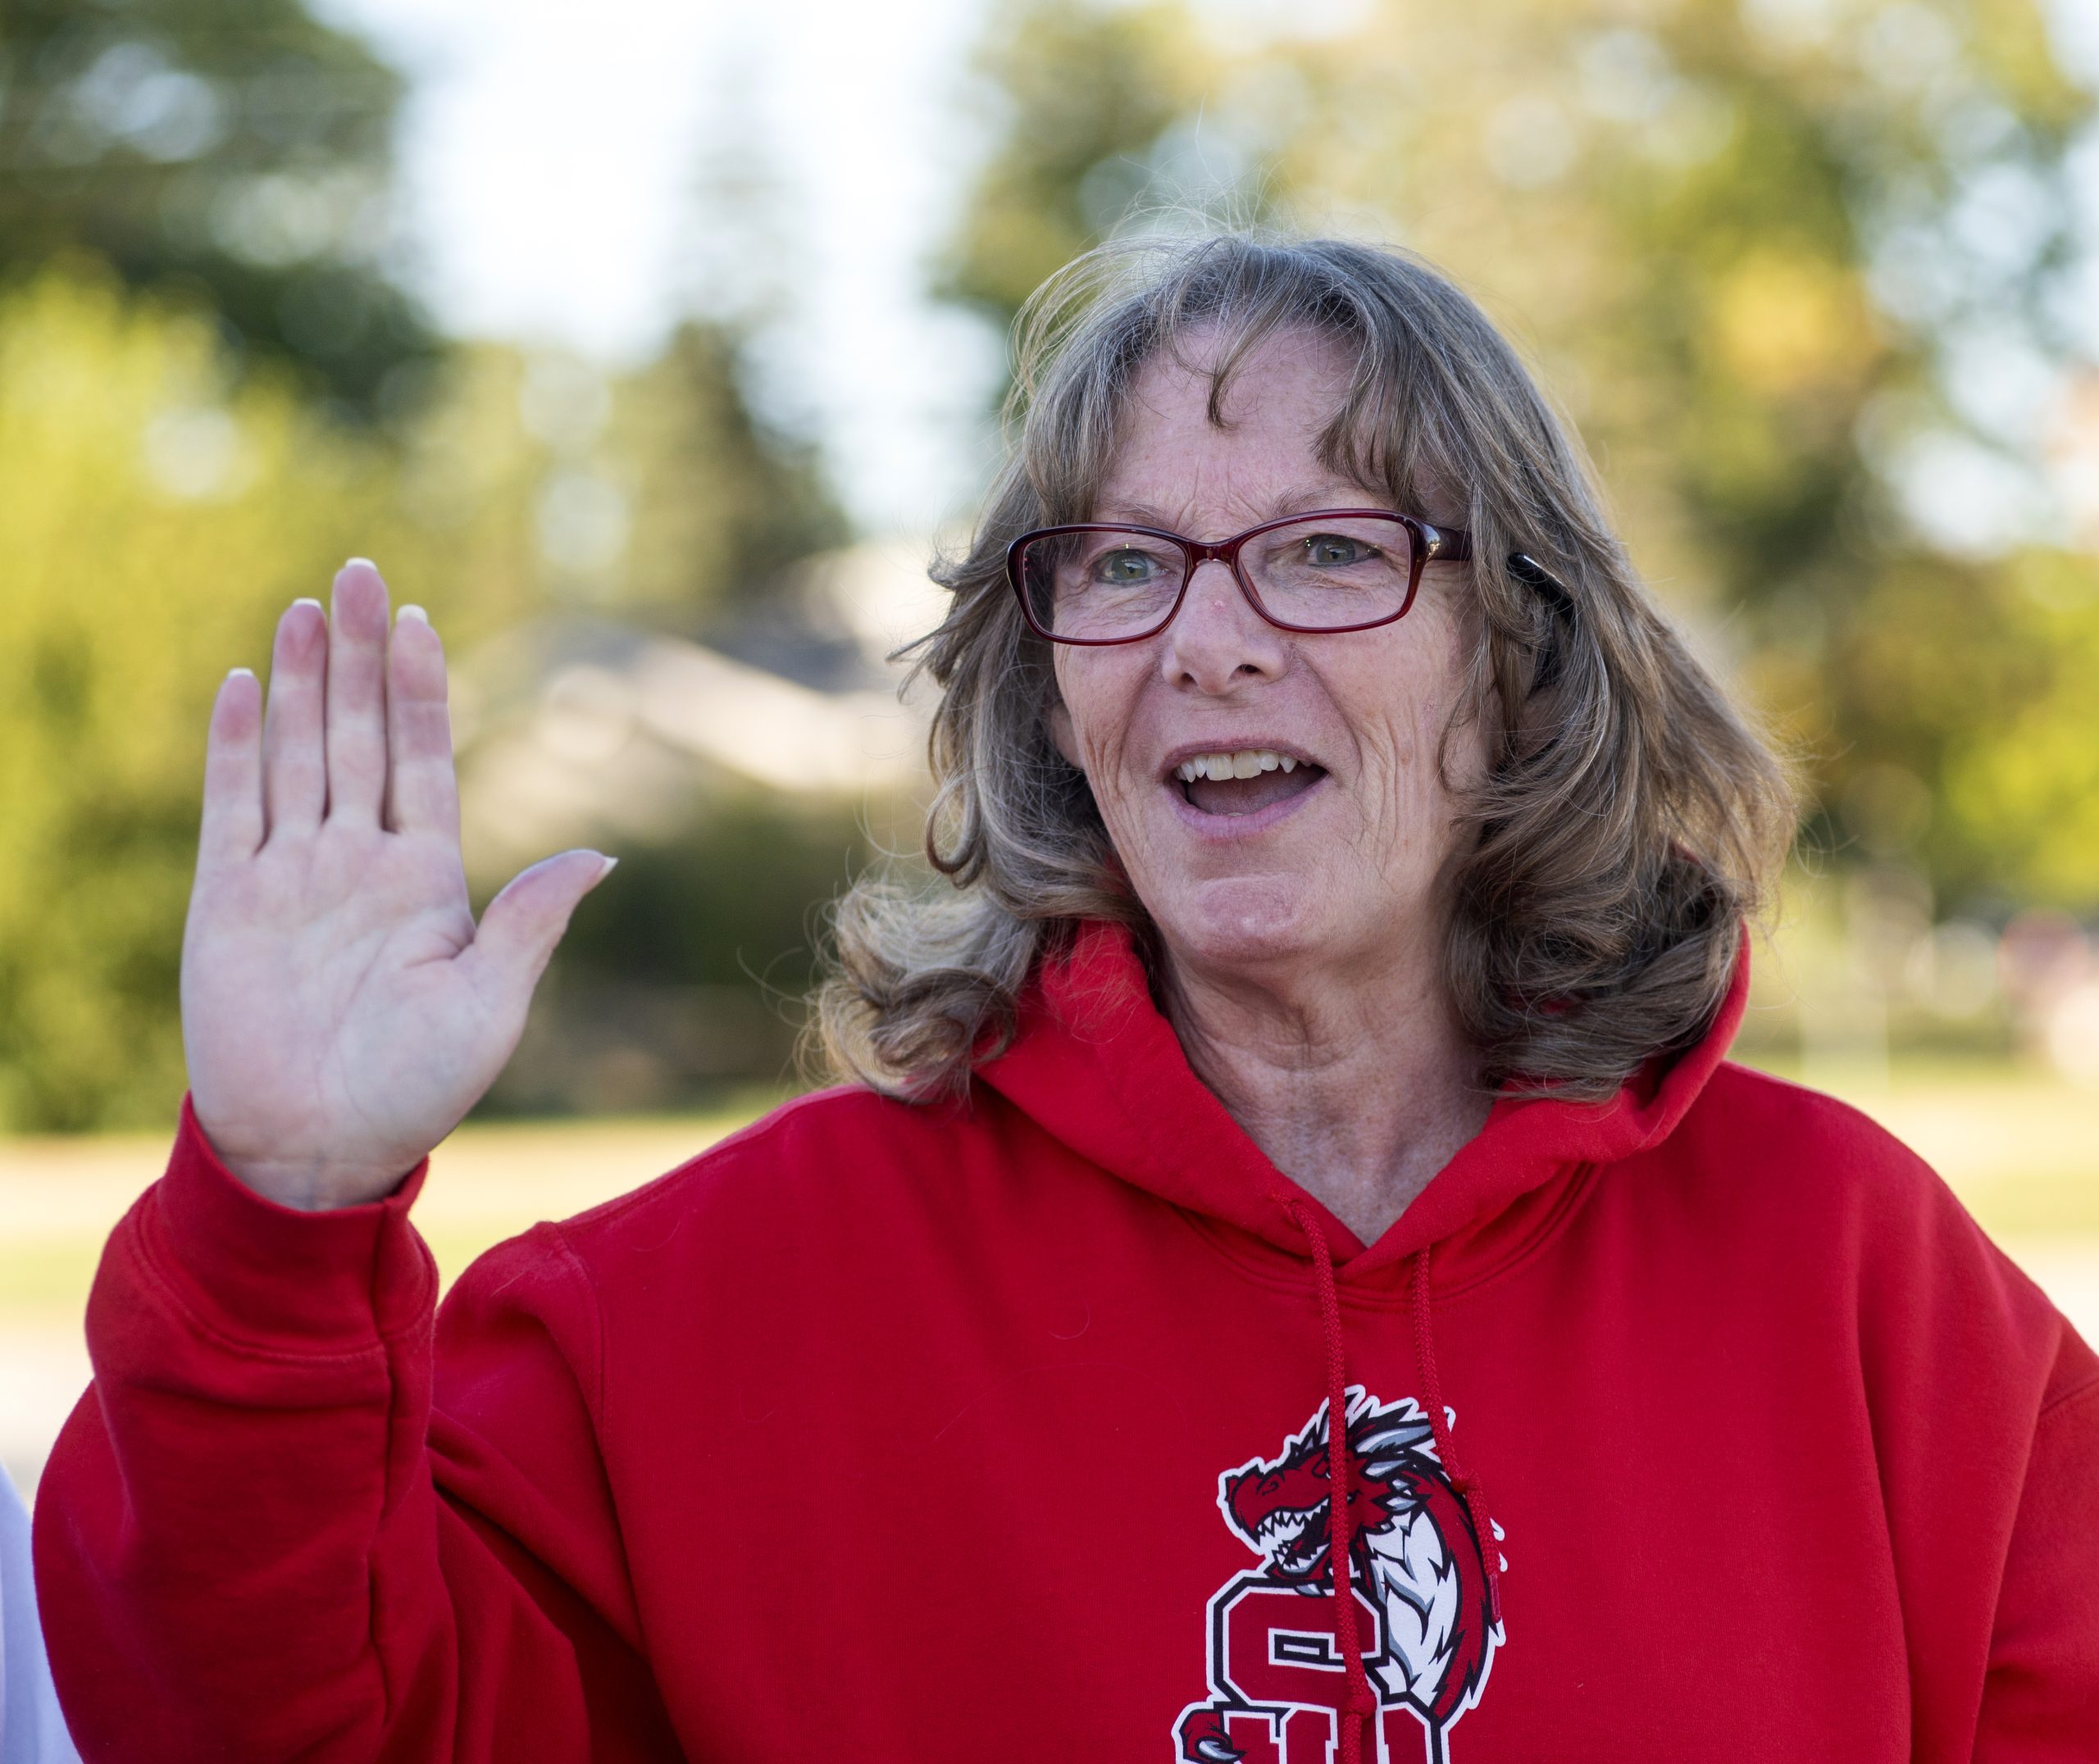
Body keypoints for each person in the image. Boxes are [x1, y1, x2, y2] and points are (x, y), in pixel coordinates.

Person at [34, 234, 2098, 1763]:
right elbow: (273, 1721)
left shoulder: (1858, 1283)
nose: (1202, 639)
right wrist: (277, 1218)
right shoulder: (698, 1316)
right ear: (1048, 683)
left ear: (1524, 654)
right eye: (1116, 564)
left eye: (1320, 550)